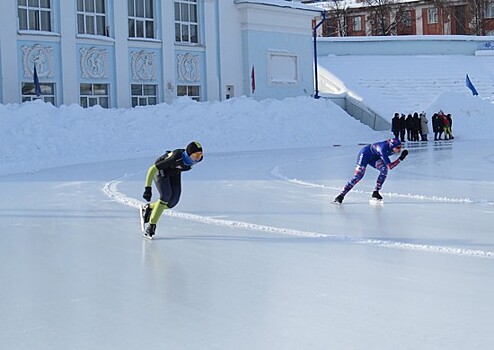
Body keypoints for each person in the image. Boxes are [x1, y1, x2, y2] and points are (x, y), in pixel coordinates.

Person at [141, 141, 203, 239]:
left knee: (172, 202)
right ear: (188, 154)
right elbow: (152, 169)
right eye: (195, 155)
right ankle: (151, 226)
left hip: (174, 172)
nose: (197, 158)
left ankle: (149, 208)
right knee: (165, 196)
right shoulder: (176, 157)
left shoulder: (196, 160)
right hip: (161, 170)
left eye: (200, 155)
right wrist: (147, 188)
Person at [334, 138, 408, 203]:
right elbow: (390, 166)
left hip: (374, 157)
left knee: (384, 170)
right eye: (398, 148)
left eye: (401, 147)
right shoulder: (383, 150)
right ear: (392, 147)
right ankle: (341, 195)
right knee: (358, 176)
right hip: (365, 155)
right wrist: (400, 158)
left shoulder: (391, 146)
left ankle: (376, 192)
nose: (400, 149)